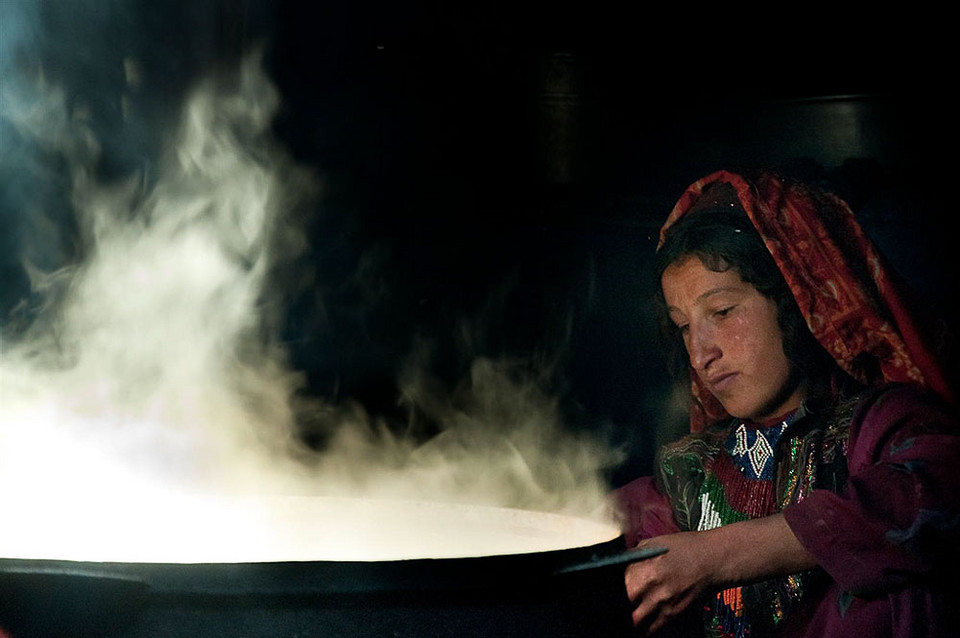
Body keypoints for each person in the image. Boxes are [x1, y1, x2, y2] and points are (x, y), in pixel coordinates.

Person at [615, 169, 960, 637]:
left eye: (722, 312)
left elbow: (927, 501)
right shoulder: (694, 471)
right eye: (683, 326)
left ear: (801, 299)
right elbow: (594, 522)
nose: (700, 353)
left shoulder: (880, 429)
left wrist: (714, 556)